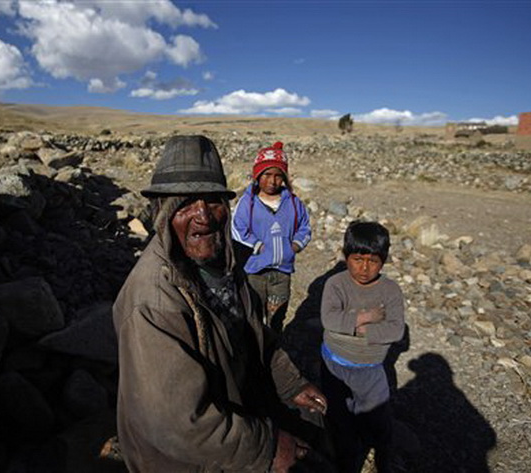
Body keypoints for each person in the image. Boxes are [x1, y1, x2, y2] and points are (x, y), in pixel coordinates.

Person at [113, 135, 328, 473]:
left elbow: (255, 334)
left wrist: (291, 383)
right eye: (185, 203)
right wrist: (267, 447)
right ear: (162, 213)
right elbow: (178, 424)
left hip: (231, 414)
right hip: (185, 459)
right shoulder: (153, 302)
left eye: (213, 200)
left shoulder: (225, 261)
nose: (204, 216)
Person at [319, 220, 405, 473]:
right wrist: (365, 319)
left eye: (373, 261)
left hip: (370, 368)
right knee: (340, 422)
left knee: (377, 421)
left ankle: (383, 458)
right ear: (346, 256)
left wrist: (357, 330)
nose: (365, 268)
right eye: (358, 259)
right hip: (334, 365)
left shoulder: (390, 290)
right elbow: (329, 320)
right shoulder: (335, 284)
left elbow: (396, 329)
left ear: (384, 260)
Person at [231, 141, 311, 332]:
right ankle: (256, 355)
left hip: (282, 272)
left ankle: (274, 350)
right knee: (254, 315)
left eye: (278, 176)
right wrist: (256, 245)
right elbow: (237, 228)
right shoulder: (247, 203)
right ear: (258, 176)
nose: (273, 181)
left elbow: (305, 227)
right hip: (254, 271)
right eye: (267, 175)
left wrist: (294, 247)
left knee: (277, 318)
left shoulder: (293, 203)